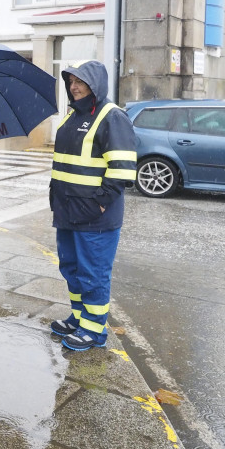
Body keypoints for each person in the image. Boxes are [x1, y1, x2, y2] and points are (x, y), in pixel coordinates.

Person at [49, 60, 136, 351]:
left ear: (94, 84)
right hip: (67, 211)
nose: (74, 87)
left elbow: (122, 170)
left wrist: (99, 205)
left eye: (80, 82)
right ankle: (79, 318)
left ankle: (94, 330)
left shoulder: (111, 116)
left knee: (93, 272)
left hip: (94, 216)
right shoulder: (73, 115)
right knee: (72, 267)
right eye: (71, 82)